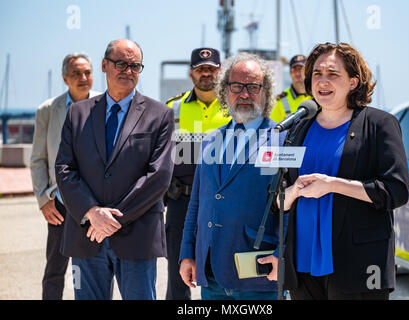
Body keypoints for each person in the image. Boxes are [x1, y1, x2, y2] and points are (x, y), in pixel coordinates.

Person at [273, 42, 409, 300]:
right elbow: (277, 197)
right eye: (316, 74)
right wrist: (290, 194)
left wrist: (332, 185)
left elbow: (396, 191)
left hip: (358, 266)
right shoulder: (298, 129)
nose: (322, 81)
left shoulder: (379, 124)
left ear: (353, 82)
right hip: (302, 267)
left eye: (333, 74)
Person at [55, 39, 174, 300]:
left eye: (135, 66)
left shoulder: (160, 115)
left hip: (137, 236)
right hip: (87, 234)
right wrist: (92, 212)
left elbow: (159, 177)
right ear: (104, 65)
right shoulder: (77, 114)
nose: (128, 71)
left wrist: (113, 219)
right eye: (121, 63)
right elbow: (65, 168)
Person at [179, 52, 286, 300]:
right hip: (211, 273)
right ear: (225, 91)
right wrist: (188, 253)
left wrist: (283, 253)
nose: (245, 94)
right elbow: (197, 202)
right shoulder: (209, 140)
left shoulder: (283, 141)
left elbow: (291, 208)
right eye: (237, 86)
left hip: (259, 275)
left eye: (253, 87)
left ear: (266, 92)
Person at [30, 53, 100, 300]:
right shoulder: (48, 111)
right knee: (55, 269)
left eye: (87, 72)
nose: (83, 78)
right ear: (64, 78)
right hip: (59, 203)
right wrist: (43, 199)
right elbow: (38, 158)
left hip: (95, 202)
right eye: (76, 74)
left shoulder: (105, 104)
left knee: (96, 269)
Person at [164, 47, 230, 300]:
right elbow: (158, 157)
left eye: (211, 69)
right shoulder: (172, 108)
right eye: (201, 69)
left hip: (221, 202)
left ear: (220, 72)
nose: (206, 74)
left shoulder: (233, 109)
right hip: (182, 201)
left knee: (219, 270)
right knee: (177, 275)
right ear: (191, 73)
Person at [270, 54, 312, 123]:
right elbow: (273, 130)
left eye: (301, 69)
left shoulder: (317, 97)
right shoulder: (280, 101)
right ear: (290, 73)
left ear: (307, 72)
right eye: (294, 70)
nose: (298, 73)